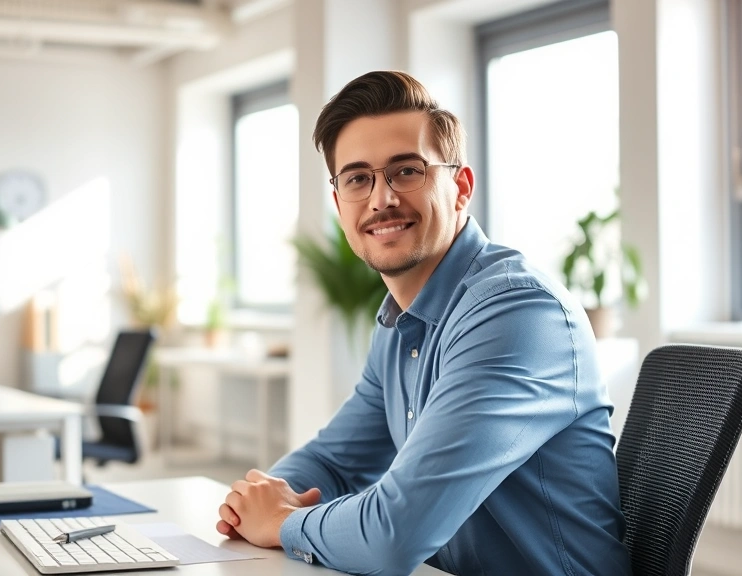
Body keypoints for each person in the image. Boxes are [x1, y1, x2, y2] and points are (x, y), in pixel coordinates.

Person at [216, 70, 632, 576]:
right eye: (357, 178)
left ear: (460, 187)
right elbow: (335, 462)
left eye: (407, 171)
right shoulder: (400, 323)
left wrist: (282, 524)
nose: (381, 199)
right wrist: (257, 502)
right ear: (339, 203)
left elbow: (394, 533)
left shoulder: (517, 312)